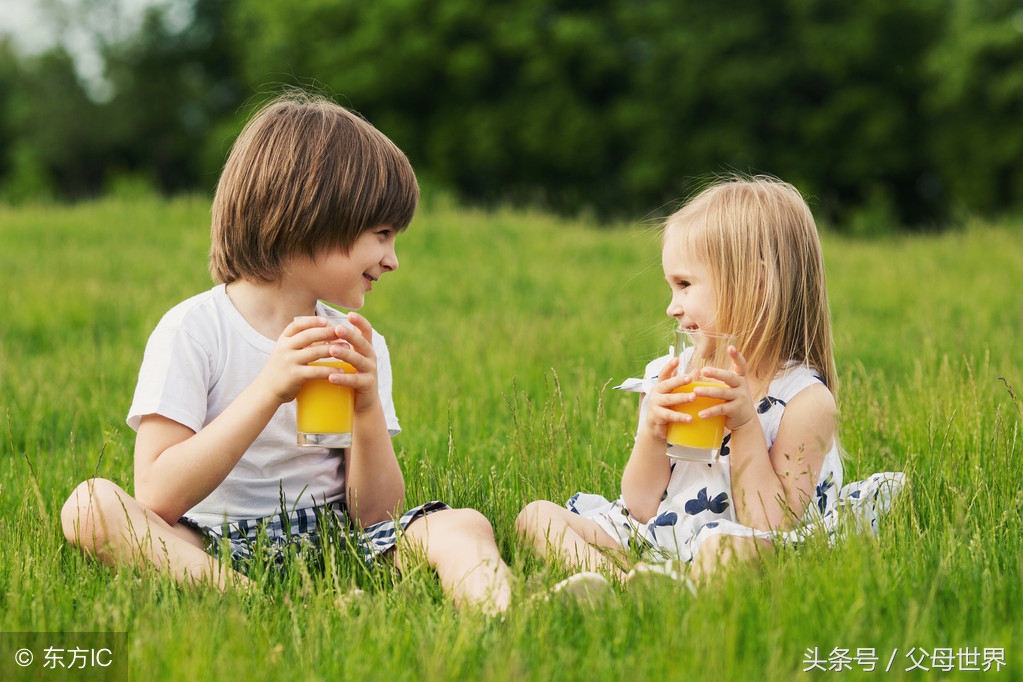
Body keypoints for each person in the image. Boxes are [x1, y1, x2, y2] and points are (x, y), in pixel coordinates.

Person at [61, 91, 512, 614]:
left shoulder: (355, 343)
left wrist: (365, 408)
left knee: (461, 525)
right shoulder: (195, 330)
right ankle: (256, 601)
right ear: (312, 218)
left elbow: (375, 517)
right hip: (214, 544)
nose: (393, 261)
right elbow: (157, 496)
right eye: (382, 234)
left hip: (335, 540)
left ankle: (499, 609)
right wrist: (269, 389)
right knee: (90, 506)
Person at [516, 175, 849, 588]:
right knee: (535, 517)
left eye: (685, 285)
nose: (672, 307)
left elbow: (770, 523)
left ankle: (674, 589)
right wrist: (653, 433)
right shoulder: (671, 374)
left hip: (742, 541)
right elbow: (639, 506)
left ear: (758, 282)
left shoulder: (804, 401)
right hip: (663, 535)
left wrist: (744, 426)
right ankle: (625, 584)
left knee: (722, 552)